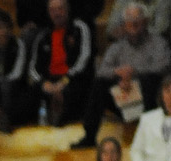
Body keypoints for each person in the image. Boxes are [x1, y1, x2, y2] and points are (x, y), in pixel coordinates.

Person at [73, 2, 170, 149]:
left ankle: (151, 136)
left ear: (145, 22)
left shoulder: (158, 43)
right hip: (122, 99)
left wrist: (133, 73)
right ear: (124, 25)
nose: (134, 28)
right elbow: (102, 71)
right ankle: (89, 136)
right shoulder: (117, 47)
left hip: (148, 100)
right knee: (99, 84)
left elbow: (163, 66)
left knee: (150, 80)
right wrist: (118, 74)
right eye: (130, 24)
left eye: (137, 23)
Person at [29, 0, 95, 127]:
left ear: (67, 9)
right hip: (49, 80)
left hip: (73, 78)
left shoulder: (79, 28)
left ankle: (64, 126)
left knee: (70, 93)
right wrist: (44, 83)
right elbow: (33, 68)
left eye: (60, 9)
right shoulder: (43, 36)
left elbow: (84, 59)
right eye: (53, 10)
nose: (57, 13)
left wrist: (63, 82)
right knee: (28, 95)